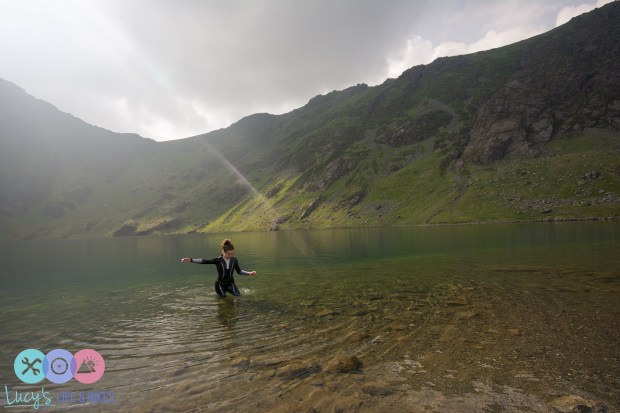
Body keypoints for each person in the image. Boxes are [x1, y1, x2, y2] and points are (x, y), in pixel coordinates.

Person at [181, 239, 256, 297]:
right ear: (223, 252)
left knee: (238, 296)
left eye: (232, 253)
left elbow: (239, 271)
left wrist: (249, 273)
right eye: (229, 254)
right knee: (223, 297)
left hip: (230, 283)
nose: (231, 256)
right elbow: (204, 261)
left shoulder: (234, 260)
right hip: (220, 284)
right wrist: (191, 260)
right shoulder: (218, 260)